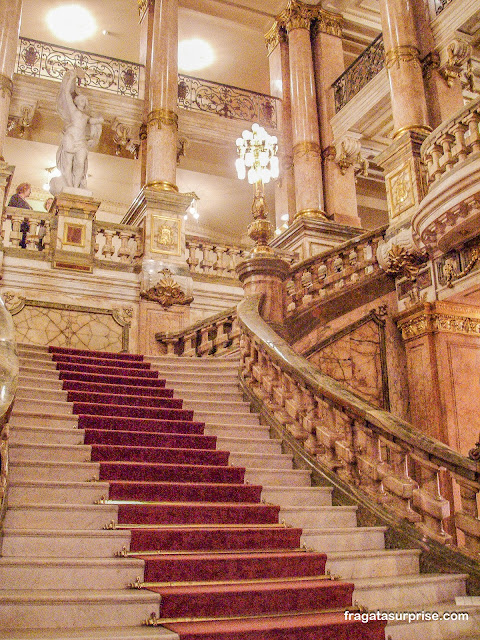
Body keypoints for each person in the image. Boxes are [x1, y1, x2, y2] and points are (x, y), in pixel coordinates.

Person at [49, 69, 103, 195]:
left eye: (84, 100)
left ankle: (75, 186)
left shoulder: (85, 116)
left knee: (80, 163)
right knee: (68, 162)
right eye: (80, 99)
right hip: (71, 137)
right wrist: (71, 78)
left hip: (81, 141)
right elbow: (67, 94)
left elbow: (93, 121)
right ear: (76, 102)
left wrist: (100, 120)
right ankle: (69, 186)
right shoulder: (73, 111)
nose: (82, 101)